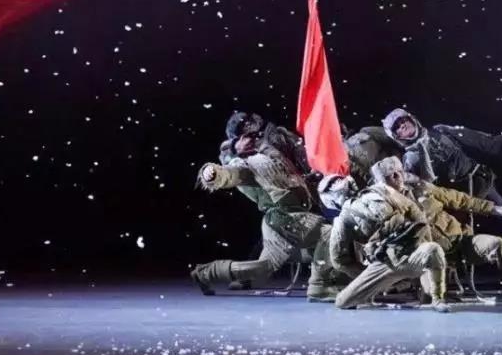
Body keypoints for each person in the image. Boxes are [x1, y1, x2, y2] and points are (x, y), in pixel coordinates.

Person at [382, 108, 502, 297]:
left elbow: (476, 139)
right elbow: (419, 188)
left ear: (412, 119)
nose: (403, 126)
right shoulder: (410, 160)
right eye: (397, 127)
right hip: (456, 203)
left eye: (403, 121)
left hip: (481, 188)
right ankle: (432, 288)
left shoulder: (442, 131)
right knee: (452, 244)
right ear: (396, 136)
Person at [190, 132, 338, 296]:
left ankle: (206, 273)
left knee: (263, 268)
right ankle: (320, 286)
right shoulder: (251, 164)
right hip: (285, 218)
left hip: (280, 222)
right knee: (329, 235)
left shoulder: (279, 161)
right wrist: (213, 173)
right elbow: (232, 174)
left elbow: (294, 183)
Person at [396, 167, 502, 303]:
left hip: (460, 242)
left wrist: (491, 208)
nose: (399, 178)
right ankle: (422, 289)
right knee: (431, 296)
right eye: (393, 176)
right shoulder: (389, 205)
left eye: (400, 173)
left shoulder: (424, 190)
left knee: (496, 244)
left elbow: (460, 199)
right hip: (430, 257)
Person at [322, 158, 450, 312]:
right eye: (333, 185)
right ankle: (427, 293)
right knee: (342, 301)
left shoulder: (382, 191)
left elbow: (415, 212)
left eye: (337, 182)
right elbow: (339, 259)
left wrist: (420, 240)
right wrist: (366, 275)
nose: (339, 185)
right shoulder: (344, 219)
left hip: (409, 251)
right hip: (384, 261)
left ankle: (436, 298)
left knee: (433, 250)